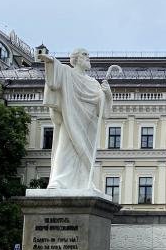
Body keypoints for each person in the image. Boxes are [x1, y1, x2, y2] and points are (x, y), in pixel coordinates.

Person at [39, 48, 112, 190]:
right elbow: (54, 79)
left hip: (88, 124)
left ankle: (85, 181)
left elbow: (102, 112)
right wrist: (50, 61)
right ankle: (58, 181)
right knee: (65, 147)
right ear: (75, 59)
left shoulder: (94, 83)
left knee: (84, 153)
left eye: (88, 55)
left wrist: (107, 95)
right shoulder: (68, 73)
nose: (88, 57)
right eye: (84, 55)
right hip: (70, 117)